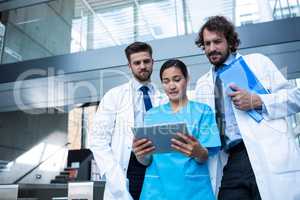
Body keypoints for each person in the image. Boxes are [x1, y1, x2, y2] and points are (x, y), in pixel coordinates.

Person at [194, 16, 300, 200]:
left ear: (230, 41)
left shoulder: (258, 62)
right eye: (207, 43)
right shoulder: (202, 84)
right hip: (231, 159)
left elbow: (295, 98)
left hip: (267, 154)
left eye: (217, 41)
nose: (212, 48)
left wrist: (258, 101)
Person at [133, 59, 221, 200]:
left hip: (192, 191)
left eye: (177, 79)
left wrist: (198, 152)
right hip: (156, 191)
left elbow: (205, 156)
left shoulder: (203, 111)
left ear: (187, 79)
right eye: (166, 81)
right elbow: (146, 161)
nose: (171, 86)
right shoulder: (151, 115)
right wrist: (139, 154)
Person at [89, 42, 164, 200]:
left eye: (146, 61)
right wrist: (114, 177)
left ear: (153, 62)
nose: (142, 66)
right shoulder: (114, 96)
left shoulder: (163, 98)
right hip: (129, 167)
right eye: (137, 63)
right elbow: (98, 140)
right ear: (129, 66)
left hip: (158, 166)